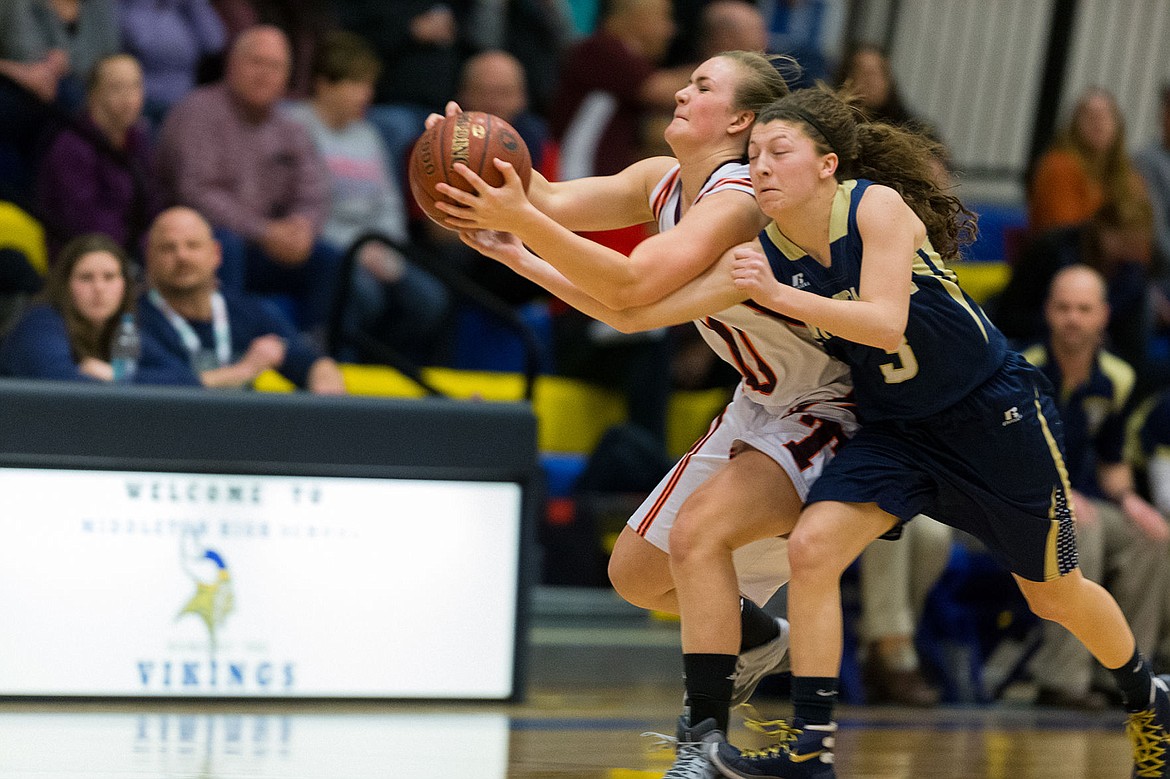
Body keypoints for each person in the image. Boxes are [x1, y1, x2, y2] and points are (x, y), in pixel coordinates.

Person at [709, 85, 1170, 779]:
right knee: (812, 549)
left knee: (1054, 591)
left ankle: (1147, 695)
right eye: (752, 156)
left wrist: (774, 295)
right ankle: (812, 746)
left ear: (828, 164)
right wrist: (535, 252)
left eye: (780, 151)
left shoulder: (874, 207)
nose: (762, 167)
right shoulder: (769, 247)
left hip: (993, 417)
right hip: (899, 429)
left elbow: (885, 320)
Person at [433, 51, 856, 778]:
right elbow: (546, 196)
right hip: (757, 402)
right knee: (635, 575)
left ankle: (702, 746)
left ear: (741, 120)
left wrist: (524, 226)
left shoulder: (741, 197)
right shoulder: (658, 181)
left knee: (698, 536)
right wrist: (468, 148)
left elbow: (632, 287)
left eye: (703, 86)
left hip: (829, 402)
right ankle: (756, 636)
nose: (683, 91)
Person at [1020, 264, 1169, 711]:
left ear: (1103, 315)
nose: (1073, 319)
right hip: (1022, 503)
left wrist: (1130, 501)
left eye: (1084, 309)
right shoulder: (1023, 368)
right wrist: (1058, 493)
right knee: (1078, 529)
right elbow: (1008, 459)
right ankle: (1061, 682)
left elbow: (1113, 463)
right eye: (1064, 308)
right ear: (1048, 312)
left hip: (1084, 499)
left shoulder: (1117, 379)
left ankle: (1123, 677)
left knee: (1152, 536)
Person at [154, 25, 339, 334]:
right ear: (232, 64)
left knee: (328, 258)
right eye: (257, 62)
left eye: (275, 66)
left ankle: (316, 355)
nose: (265, 74)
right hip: (195, 243)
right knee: (224, 246)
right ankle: (228, 347)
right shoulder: (197, 112)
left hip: (266, 246)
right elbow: (198, 194)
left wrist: (302, 228)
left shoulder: (291, 128)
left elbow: (314, 192)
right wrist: (265, 231)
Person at [282, 30, 449, 364]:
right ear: (325, 84)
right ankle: (343, 369)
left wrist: (387, 249)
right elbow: (302, 205)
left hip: (376, 247)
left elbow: (388, 201)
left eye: (369, 85)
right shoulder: (294, 126)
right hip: (328, 247)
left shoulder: (368, 133)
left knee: (432, 301)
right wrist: (357, 252)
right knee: (365, 296)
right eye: (356, 84)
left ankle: (388, 374)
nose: (367, 95)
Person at [139, 206, 346, 393]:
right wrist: (242, 371)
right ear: (149, 258)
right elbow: (134, 383)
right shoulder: (130, 319)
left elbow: (309, 361)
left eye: (193, 245)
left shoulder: (248, 312)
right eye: (168, 248)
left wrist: (322, 376)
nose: (182, 256)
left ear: (216, 254)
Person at [0, 233, 175, 383]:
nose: (99, 288)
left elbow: (184, 379)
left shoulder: (125, 327)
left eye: (109, 277)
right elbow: (64, 384)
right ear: (65, 285)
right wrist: (122, 379)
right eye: (86, 278)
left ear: (125, 285)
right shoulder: (39, 324)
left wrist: (117, 375)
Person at [37, 53, 160, 256]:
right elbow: (86, 223)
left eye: (135, 86)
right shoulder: (71, 146)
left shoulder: (138, 138)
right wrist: (146, 247)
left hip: (134, 251)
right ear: (94, 94)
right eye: (117, 88)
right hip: (85, 258)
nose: (129, 97)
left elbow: (152, 203)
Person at [1028, 87, 1149, 235]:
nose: (1098, 120)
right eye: (1089, 114)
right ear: (1074, 124)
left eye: (1105, 114)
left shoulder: (1127, 175)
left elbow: (1142, 231)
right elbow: (1063, 234)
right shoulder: (1059, 167)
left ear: (1118, 124)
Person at [117, 0, 226, 128]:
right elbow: (145, 45)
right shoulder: (130, 7)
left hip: (184, 99)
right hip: (146, 101)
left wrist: (196, 4)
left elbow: (214, 42)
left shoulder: (183, 8)